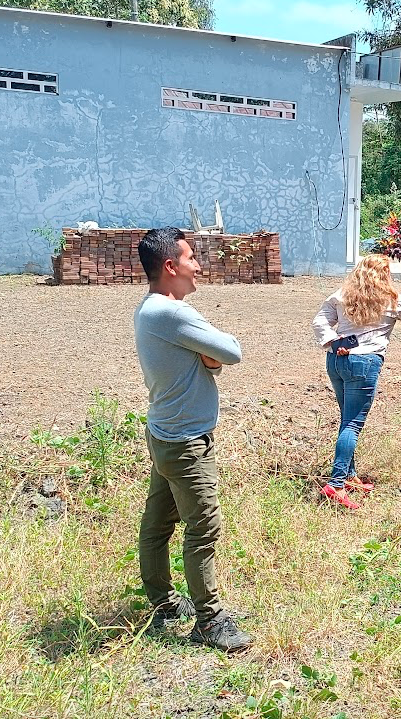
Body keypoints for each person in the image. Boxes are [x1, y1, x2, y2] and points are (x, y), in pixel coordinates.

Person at [134, 227, 251, 652]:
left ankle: (163, 603)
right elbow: (232, 351)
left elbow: (211, 360)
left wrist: (210, 361)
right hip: (186, 442)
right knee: (202, 530)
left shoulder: (149, 308)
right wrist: (214, 358)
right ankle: (210, 621)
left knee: (157, 524)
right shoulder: (173, 314)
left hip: (164, 434)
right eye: (191, 258)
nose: (198, 266)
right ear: (171, 266)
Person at [312, 253, 401, 509]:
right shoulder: (391, 299)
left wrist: (333, 341)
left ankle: (349, 476)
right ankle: (336, 484)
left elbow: (320, 320)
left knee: (347, 419)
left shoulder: (342, 294)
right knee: (352, 424)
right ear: (385, 275)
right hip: (365, 363)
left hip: (336, 361)